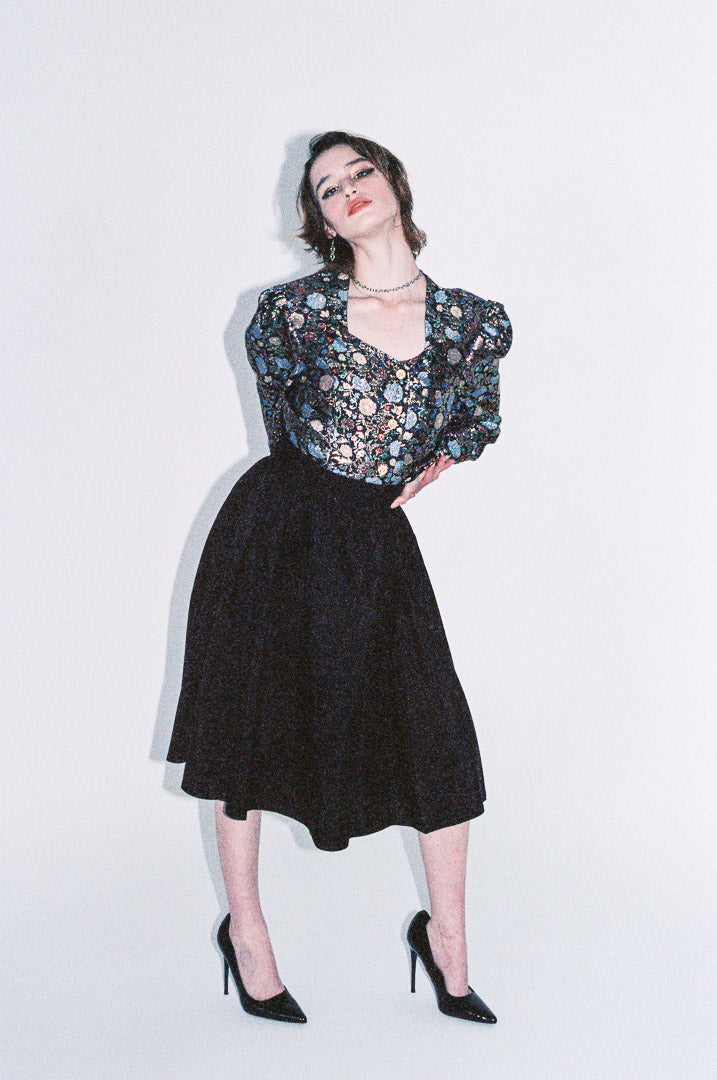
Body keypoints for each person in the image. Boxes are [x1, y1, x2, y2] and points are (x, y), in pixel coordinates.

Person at [166, 130, 513, 1025]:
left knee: (431, 734)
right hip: (278, 533)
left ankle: (448, 945)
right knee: (248, 731)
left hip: (374, 542)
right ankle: (247, 937)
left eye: (360, 171)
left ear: (393, 183)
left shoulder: (474, 320)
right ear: (318, 220)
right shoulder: (290, 312)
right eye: (327, 188)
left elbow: (474, 422)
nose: (348, 189)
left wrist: (436, 458)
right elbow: (287, 436)